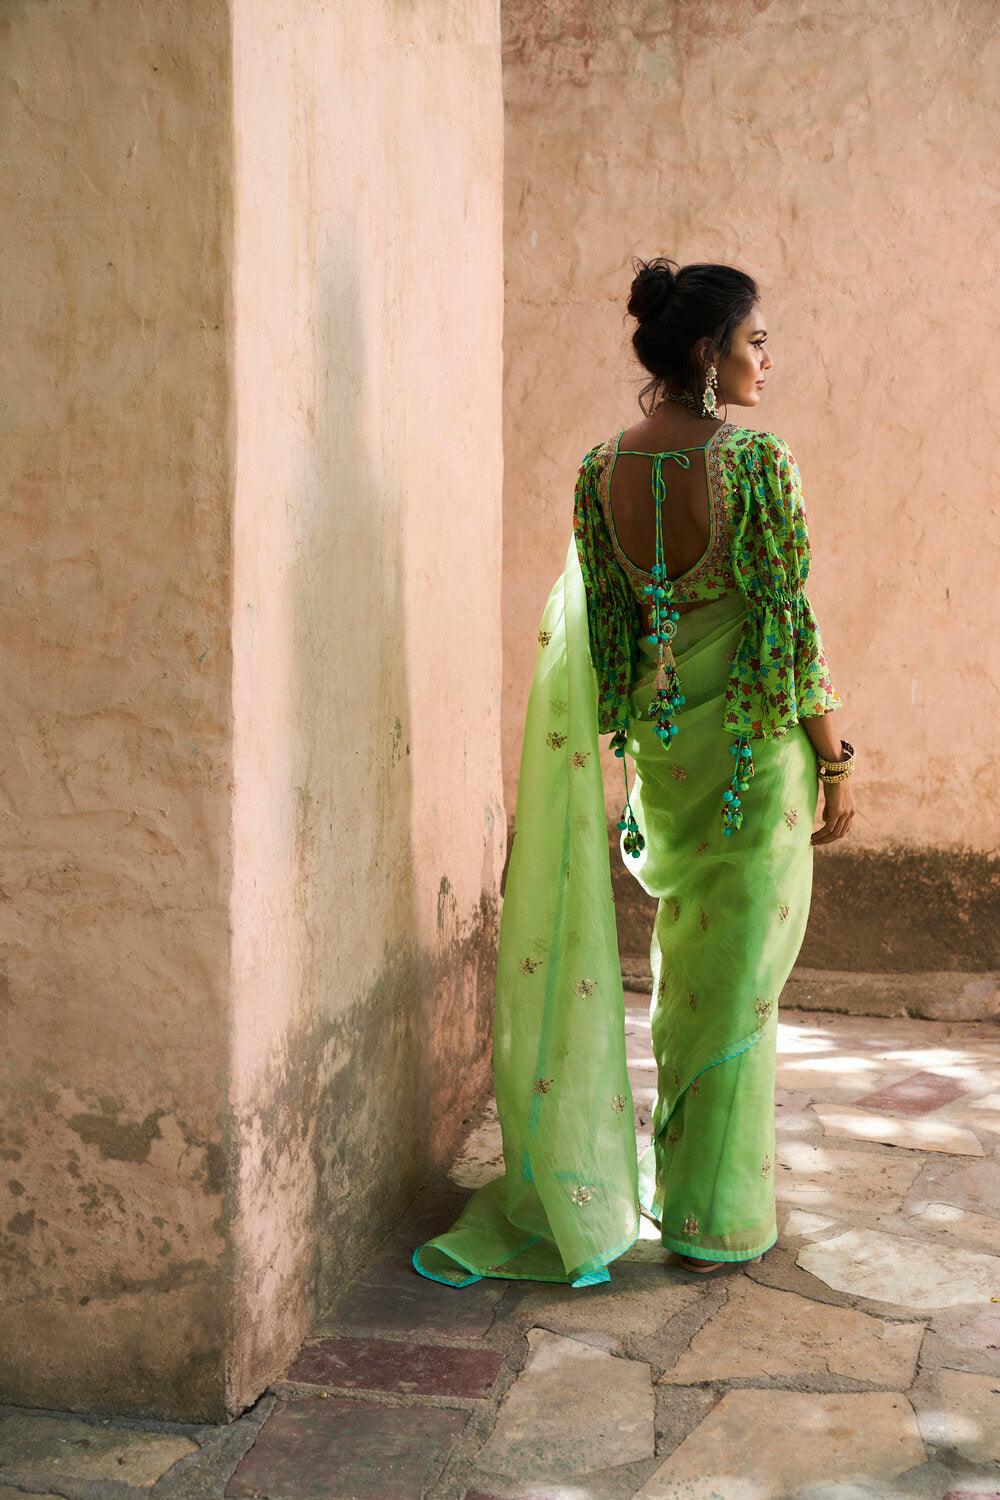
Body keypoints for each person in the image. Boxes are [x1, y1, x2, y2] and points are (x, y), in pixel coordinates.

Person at [412, 257, 857, 1289]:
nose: (766, 361)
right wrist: (834, 758)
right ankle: (713, 1215)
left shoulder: (598, 469)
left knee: (690, 970)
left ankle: (682, 1189)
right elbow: (789, 630)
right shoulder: (757, 467)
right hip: (753, 757)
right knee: (737, 988)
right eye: (754, 342)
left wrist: (641, 736)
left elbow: (610, 641)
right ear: (706, 354)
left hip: (665, 752)